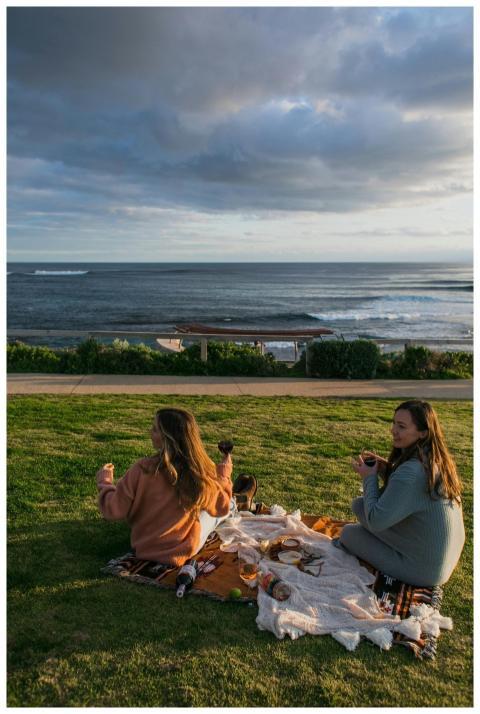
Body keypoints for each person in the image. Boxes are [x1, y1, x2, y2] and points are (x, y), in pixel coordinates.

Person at [339, 399, 465, 587]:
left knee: (349, 533)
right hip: (441, 557)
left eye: (401, 426)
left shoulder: (412, 472)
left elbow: (375, 521)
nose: (393, 430)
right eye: (394, 423)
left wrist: (369, 477)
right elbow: (409, 493)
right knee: (359, 505)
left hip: (425, 571)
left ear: (423, 432)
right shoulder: (435, 460)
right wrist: (386, 470)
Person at [96, 407, 233, 567]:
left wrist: (104, 481)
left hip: (144, 548)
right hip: (182, 551)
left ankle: (235, 502)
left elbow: (112, 510)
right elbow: (220, 507)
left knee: (213, 502)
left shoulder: (141, 470)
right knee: (227, 505)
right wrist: (223, 476)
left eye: (154, 429)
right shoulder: (198, 474)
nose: (150, 432)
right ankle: (236, 503)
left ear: (168, 439)